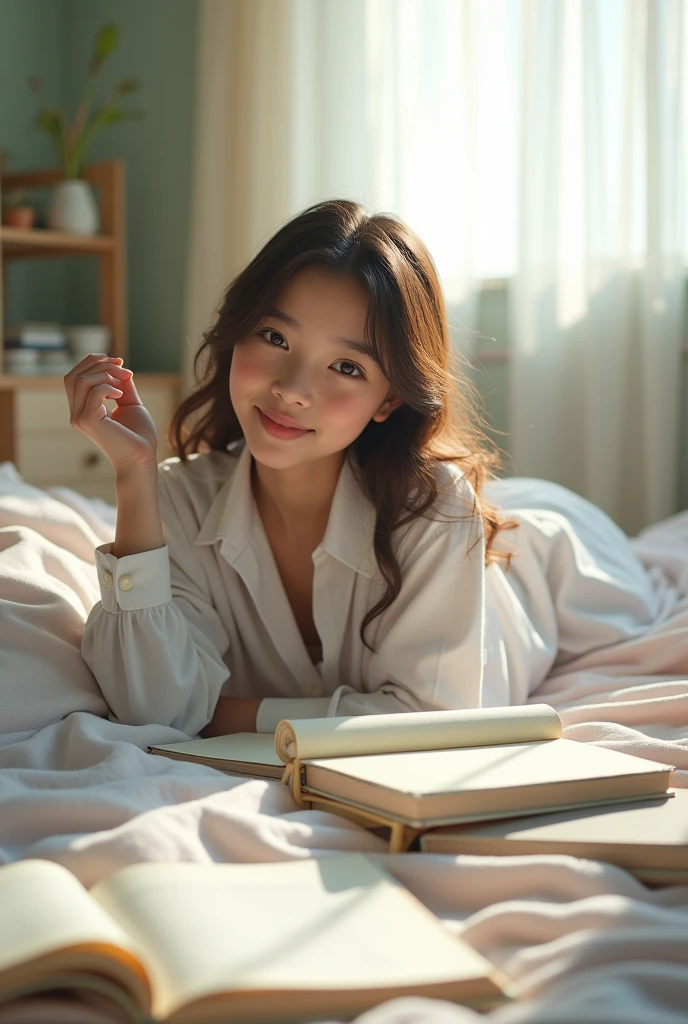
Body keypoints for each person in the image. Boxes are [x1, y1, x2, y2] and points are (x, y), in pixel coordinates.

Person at [65, 199, 661, 738]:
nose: (293, 389)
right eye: (274, 335)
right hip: (467, 524)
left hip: (542, 563)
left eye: (347, 367)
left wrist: (227, 713)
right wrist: (134, 477)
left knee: (628, 583)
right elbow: (152, 707)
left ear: (389, 400)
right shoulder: (176, 499)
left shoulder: (437, 506)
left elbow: (435, 725)